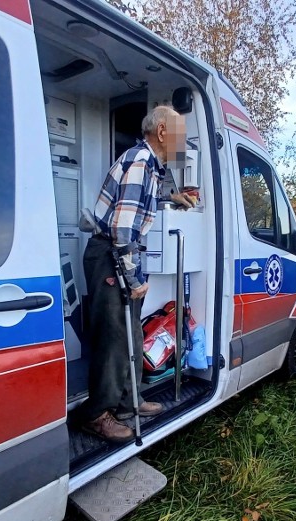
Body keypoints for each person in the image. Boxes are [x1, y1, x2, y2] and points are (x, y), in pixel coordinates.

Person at [81, 105, 196, 442]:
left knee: (129, 334)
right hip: (110, 256)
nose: (183, 143)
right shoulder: (140, 162)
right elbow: (123, 230)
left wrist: (174, 198)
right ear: (162, 132)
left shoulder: (149, 166)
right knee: (114, 339)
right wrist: (134, 278)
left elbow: (143, 200)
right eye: (180, 135)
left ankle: (127, 402)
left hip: (116, 255)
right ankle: (96, 415)